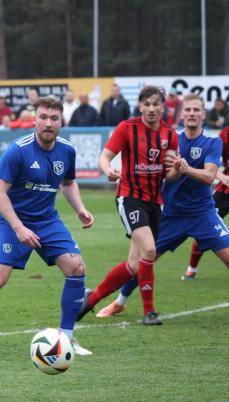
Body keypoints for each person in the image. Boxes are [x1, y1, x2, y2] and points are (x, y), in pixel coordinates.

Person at [0, 96, 95, 357]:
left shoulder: (67, 150)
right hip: (12, 220)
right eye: (43, 117)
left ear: (61, 122)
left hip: (47, 219)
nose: (48, 123)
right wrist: (19, 228)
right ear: (35, 119)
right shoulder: (17, 150)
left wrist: (80, 209)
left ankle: (66, 338)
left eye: (54, 119)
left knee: (76, 267)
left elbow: (68, 183)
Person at [95, 94, 228, 317]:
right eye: (188, 110)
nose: (192, 113)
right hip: (170, 214)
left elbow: (209, 176)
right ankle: (119, 302)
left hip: (202, 214)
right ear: (182, 114)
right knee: (141, 263)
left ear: (204, 115)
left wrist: (184, 168)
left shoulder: (213, 141)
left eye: (197, 110)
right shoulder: (168, 138)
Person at [76, 86, 183, 325]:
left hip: (155, 202)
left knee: (135, 265)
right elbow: (103, 156)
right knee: (150, 251)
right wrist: (109, 171)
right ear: (140, 106)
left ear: (163, 106)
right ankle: (149, 312)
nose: (152, 109)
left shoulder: (170, 135)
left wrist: (176, 169)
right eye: (147, 104)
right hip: (129, 197)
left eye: (156, 104)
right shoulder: (127, 128)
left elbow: (171, 176)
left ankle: (90, 299)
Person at [180, 125, 229, 280]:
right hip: (226, 190)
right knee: (205, 226)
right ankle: (192, 268)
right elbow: (213, 162)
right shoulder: (225, 135)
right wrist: (222, 177)